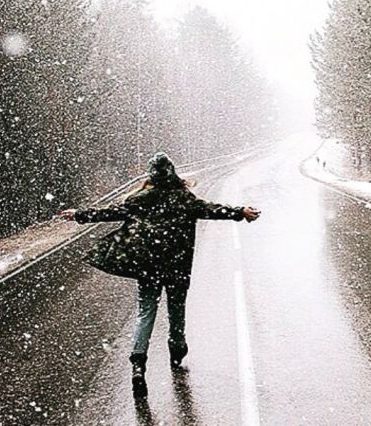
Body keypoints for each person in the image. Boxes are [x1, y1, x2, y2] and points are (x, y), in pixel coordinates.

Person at [59, 152, 260, 398]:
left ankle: (138, 363)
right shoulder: (184, 199)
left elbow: (108, 213)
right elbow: (212, 209)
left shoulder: (139, 200)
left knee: (146, 312)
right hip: (178, 267)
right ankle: (177, 350)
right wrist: (240, 212)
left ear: (151, 176)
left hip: (149, 267)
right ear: (172, 173)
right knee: (176, 310)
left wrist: (79, 214)